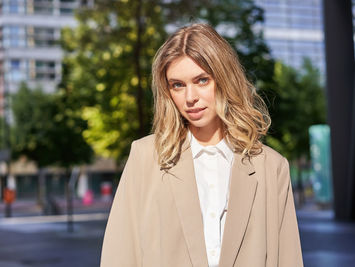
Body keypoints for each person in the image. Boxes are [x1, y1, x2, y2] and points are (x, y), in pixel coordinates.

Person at [101, 23, 303, 267]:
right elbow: (119, 255)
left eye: (202, 80)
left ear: (225, 79)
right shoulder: (146, 157)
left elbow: (288, 259)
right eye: (178, 85)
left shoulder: (271, 167)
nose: (190, 98)